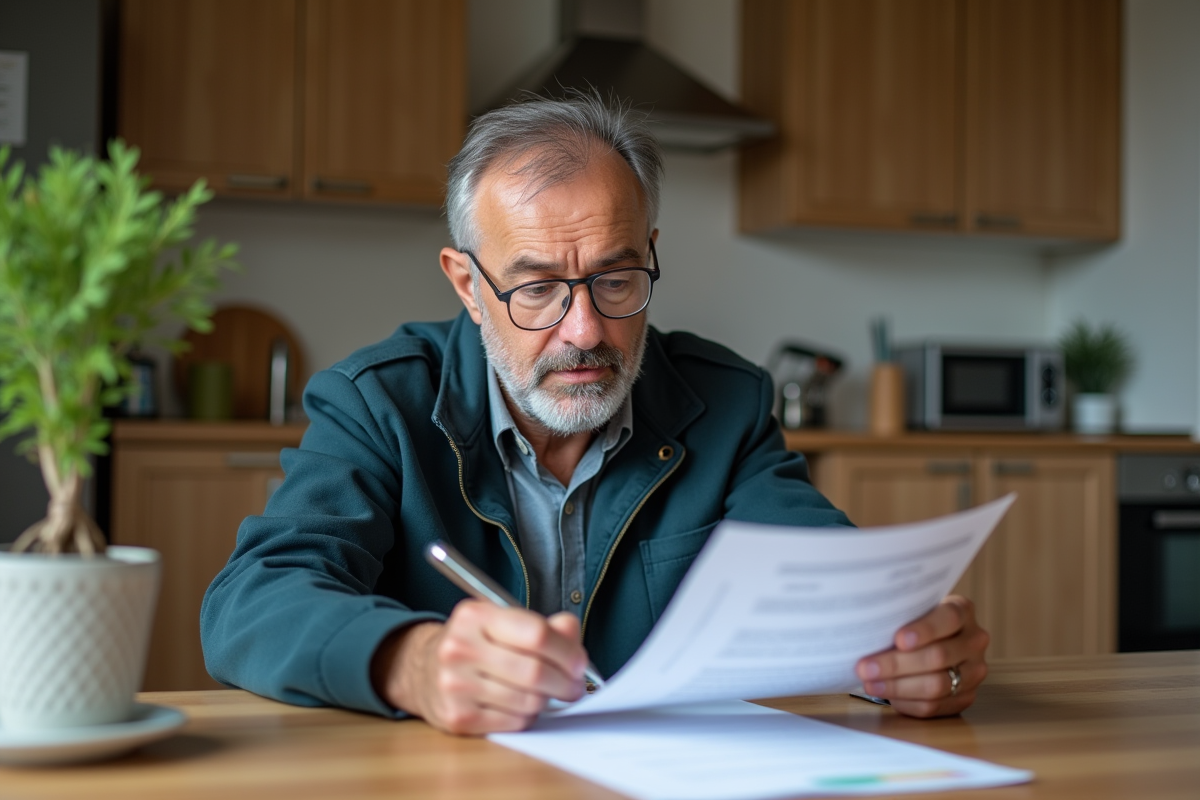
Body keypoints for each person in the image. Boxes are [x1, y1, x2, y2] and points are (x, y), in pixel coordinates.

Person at [201, 94, 990, 735]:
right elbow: (253, 600)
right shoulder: (378, 403)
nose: (584, 331)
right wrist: (411, 662)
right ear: (469, 286)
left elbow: (828, 582)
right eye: (537, 287)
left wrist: (907, 648)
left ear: (650, 252)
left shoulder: (724, 400)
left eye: (616, 280)